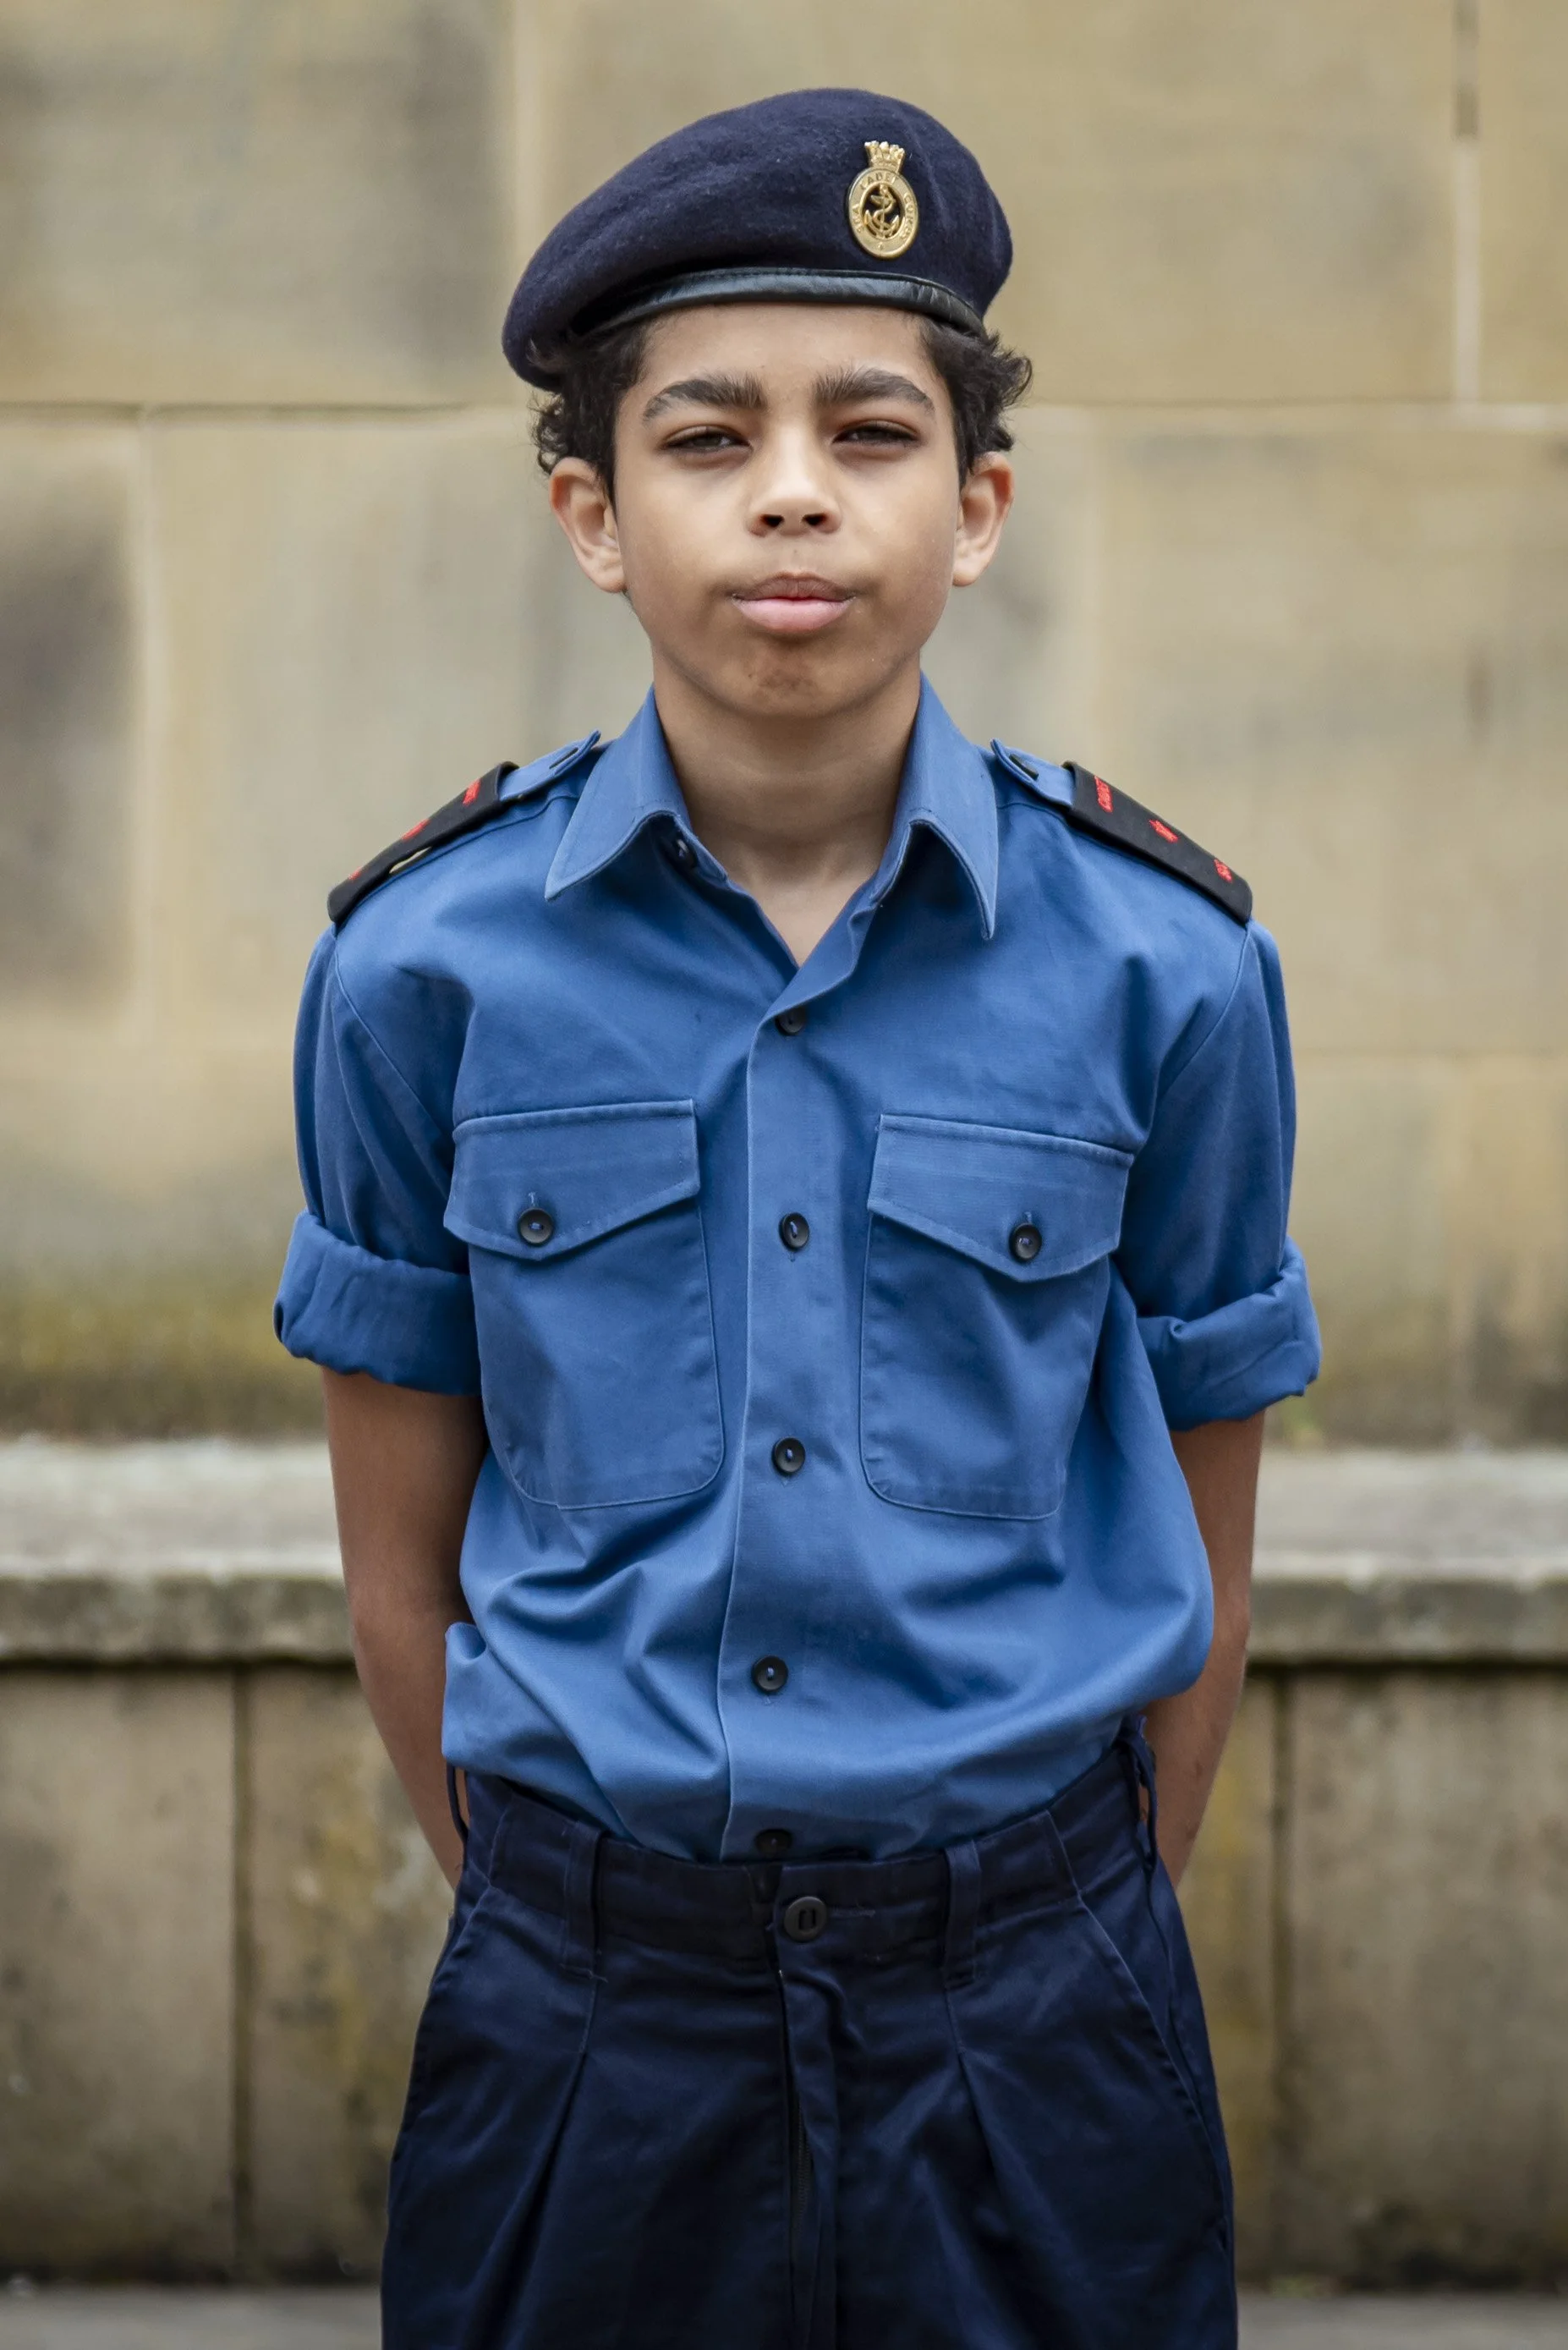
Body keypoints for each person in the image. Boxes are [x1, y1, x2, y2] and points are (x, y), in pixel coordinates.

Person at [276, 85, 1319, 2350]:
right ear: (587, 508)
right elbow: (396, 1569)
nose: (788, 491)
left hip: (1033, 2020)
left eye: (869, 429)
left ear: (978, 508)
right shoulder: (419, 972)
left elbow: (1201, 1539)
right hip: (585, 2027)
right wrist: (580, 1916)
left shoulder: (1167, 973)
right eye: (702, 432)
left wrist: (1052, 1922)